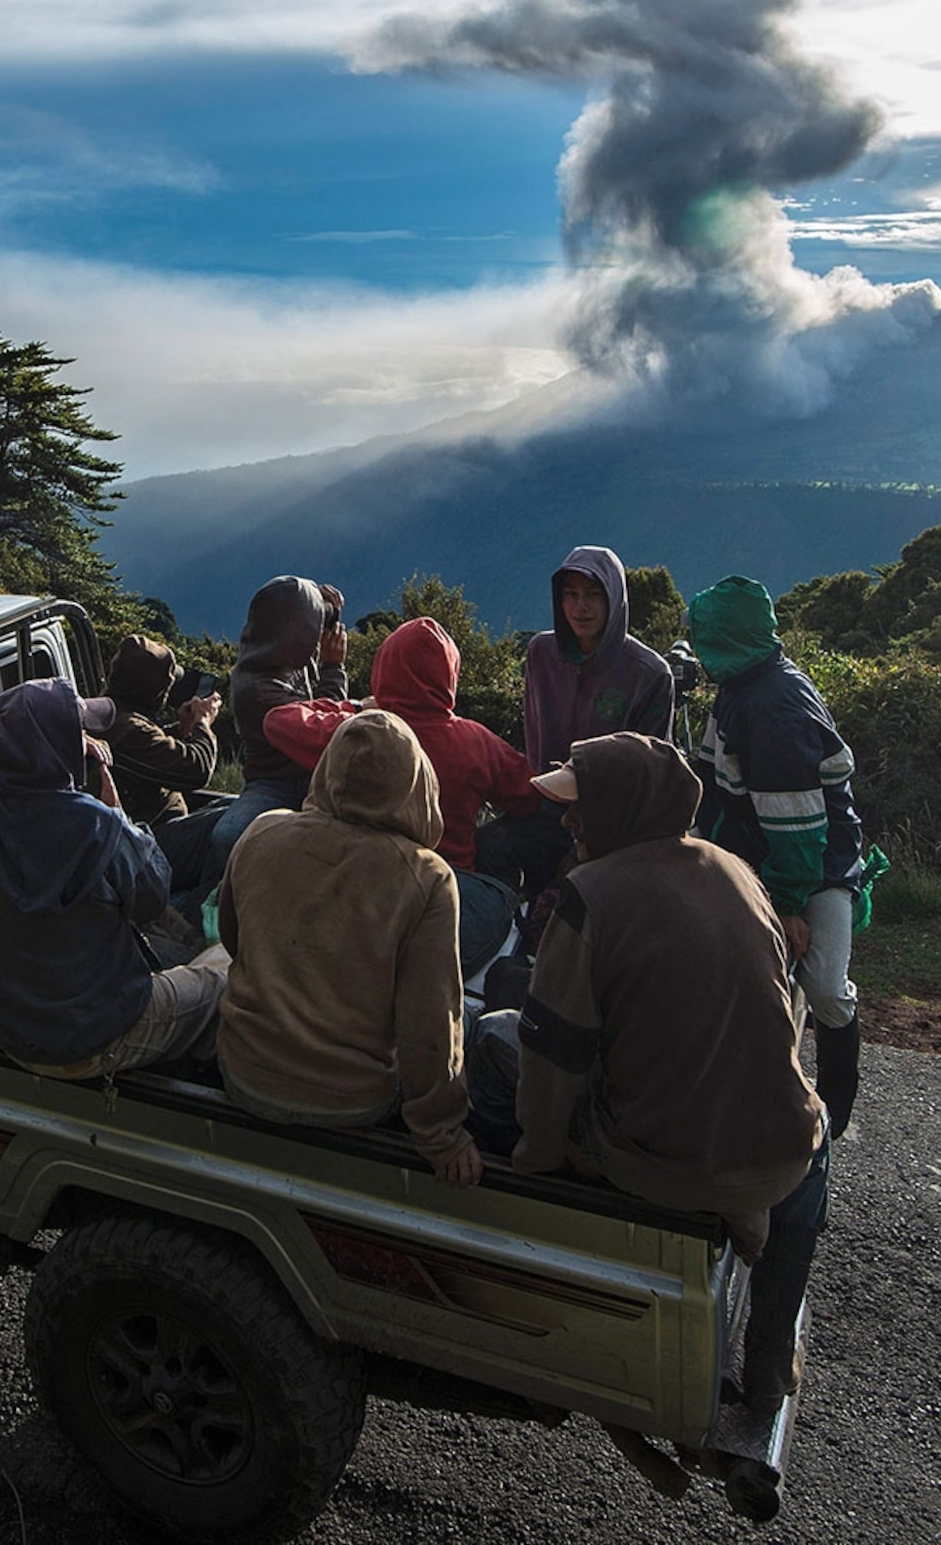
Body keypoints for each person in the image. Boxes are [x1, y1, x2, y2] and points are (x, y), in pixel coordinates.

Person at [464, 733, 822, 1352]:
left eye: (581, 805)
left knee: (493, 1034)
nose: (567, 819)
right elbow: (778, 1016)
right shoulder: (736, 871)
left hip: (657, 1162)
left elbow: (554, 1053)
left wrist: (538, 1158)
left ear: (623, 807)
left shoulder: (593, 894)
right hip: (786, 1152)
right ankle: (770, 1353)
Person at [216, 709, 484, 1187]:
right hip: (352, 1102)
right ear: (417, 782)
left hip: (243, 1074)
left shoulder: (262, 831)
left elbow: (234, 943)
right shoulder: (427, 878)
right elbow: (430, 1026)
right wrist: (442, 1136)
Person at [0, 678, 229, 1078]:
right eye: (77, 732)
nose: (88, 738)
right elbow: (151, 896)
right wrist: (118, 815)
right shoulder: (98, 826)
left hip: (7, 1024)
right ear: (58, 746)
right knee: (228, 970)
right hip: (96, 1036)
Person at [686, 575, 870, 1138]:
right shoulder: (745, 684)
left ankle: (833, 1107)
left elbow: (797, 825)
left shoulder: (771, 706)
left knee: (823, 987)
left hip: (814, 868)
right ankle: (768, 1097)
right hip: (763, 859)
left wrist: (790, 904)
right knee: (761, 981)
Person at [257, 617, 538, 980]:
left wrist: (356, 708)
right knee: (500, 894)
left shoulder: (358, 736)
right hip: (446, 885)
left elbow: (279, 720)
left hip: (361, 879)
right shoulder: (477, 741)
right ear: (449, 675)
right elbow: (528, 796)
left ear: (384, 666)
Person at [476, 546, 677, 912]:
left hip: (610, 821)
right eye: (571, 595)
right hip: (546, 805)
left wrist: (583, 849)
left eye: (593, 595)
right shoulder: (541, 654)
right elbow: (534, 735)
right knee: (488, 849)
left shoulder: (648, 673)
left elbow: (649, 771)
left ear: (615, 599)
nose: (580, 607)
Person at [185, 575, 349, 896]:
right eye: (312, 622)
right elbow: (319, 727)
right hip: (276, 782)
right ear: (296, 632)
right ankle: (210, 902)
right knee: (229, 835)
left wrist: (325, 607)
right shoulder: (257, 687)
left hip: (316, 775)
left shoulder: (284, 652)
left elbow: (292, 610)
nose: (318, 633)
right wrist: (333, 669)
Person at [103, 634, 223, 825]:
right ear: (158, 692)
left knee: (228, 807)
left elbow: (149, 751)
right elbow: (197, 770)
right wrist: (203, 723)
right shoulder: (129, 730)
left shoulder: (111, 716)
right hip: (153, 836)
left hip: (155, 824)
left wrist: (181, 729)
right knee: (236, 821)